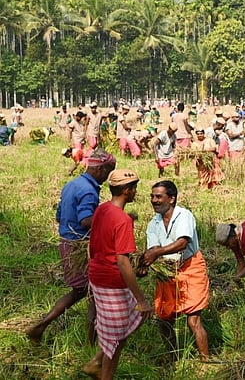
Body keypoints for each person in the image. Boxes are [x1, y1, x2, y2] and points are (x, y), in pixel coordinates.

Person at [25, 150, 116, 345]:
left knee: (82, 291)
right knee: (93, 293)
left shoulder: (72, 184)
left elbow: (59, 216)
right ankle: (90, 343)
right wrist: (110, 216)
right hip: (80, 247)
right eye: (109, 172)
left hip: (66, 243)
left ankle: (41, 327)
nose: (108, 178)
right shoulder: (89, 191)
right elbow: (85, 220)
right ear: (101, 169)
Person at [82, 169, 151, 379]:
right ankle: (104, 373)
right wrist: (141, 298)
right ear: (126, 191)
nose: (136, 192)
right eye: (134, 188)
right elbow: (122, 261)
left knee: (122, 325)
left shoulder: (102, 209)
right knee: (117, 337)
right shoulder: (123, 220)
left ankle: (96, 361)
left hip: (96, 274)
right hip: (112, 280)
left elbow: (91, 244)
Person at [138, 180, 210, 361]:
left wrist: (156, 253)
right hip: (167, 272)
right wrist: (144, 264)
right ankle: (172, 357)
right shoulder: (153, 224)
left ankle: (206, 360)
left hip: (190, 266)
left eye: (158, 196)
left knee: (193, 320)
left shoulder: (184, 215)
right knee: (163, 317)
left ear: (171, 199)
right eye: (152, 197)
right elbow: (153, 249)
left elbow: (182, 242)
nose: (154, 200)